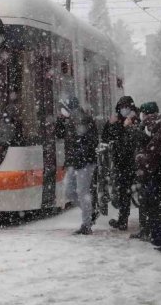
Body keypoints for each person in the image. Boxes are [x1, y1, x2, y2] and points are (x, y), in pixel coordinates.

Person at [56, 96, 99, 235]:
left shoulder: (83, 119)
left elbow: (91, 141)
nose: (61, 111)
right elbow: (59, 134)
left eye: (62, 108)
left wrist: (80, 154)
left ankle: (86, 224)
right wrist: (60, 120)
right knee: (69, 191)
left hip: (84, 163)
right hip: (74, 163)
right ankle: (91, 212)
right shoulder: (70, 121)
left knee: (82, 192)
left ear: (69, 107)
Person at [135, 102, 161, 253]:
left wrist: (140, 157)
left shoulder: (158, 129)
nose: (142, 117)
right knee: (160, 207)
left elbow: (152, 154)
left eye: (143, 114)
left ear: (148, 115)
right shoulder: (159, 128)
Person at [101, 96, 139, 230]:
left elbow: (133, 140)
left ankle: (144, 223)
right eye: (121, 107)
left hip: (134, 162)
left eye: (126, 107)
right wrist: (109, 124)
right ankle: (123, 220)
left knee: (136, 192)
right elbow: (106, 137)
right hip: (121, 163)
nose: (124, 110)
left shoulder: (136, 120)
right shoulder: (117, 121)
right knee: (123, 192)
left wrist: (129, 125)